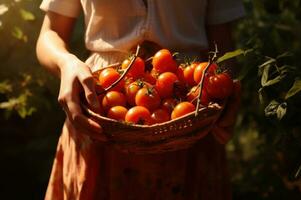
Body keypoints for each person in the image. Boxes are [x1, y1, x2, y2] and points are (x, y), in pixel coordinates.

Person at [36, 0, 244, 199]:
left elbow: (223, 41)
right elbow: (50, 32)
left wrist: (225, 92)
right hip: (100, 107)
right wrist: (66, 63)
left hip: (191, 110)